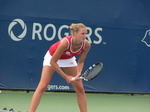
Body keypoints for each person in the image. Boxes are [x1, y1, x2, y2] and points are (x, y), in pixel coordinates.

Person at [29, 23, 91, 112]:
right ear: (75, 34)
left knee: (80, 88)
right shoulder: (65, 43)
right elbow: (53, 62)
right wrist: (66, 77)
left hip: (68, 59)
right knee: (43, 86)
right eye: (82, 33)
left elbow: (81, 61)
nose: (85, 36)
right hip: (52, 57)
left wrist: (78, 73)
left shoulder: (87, 45)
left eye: (86, 33)